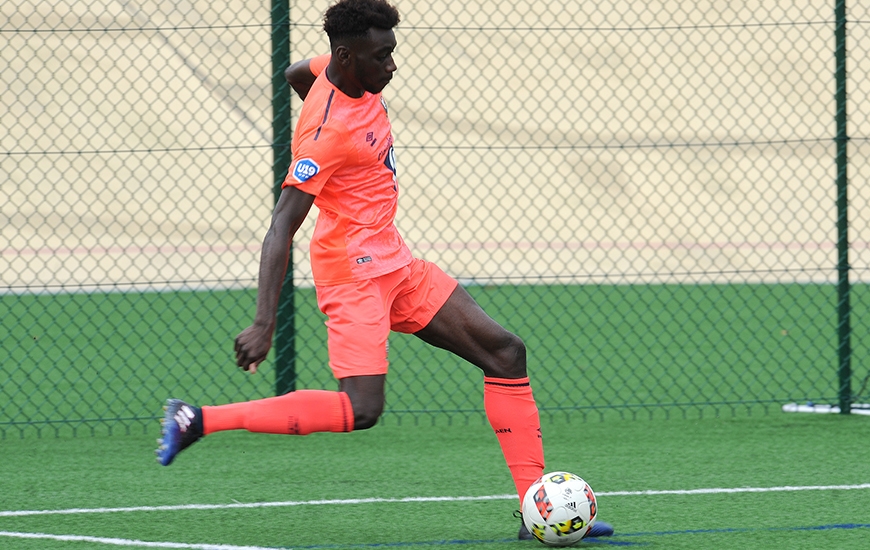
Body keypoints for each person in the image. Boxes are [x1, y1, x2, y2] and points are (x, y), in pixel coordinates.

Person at [155, 0, 612, 540]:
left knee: (506, 352)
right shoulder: (326, 136)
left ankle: (532, 509)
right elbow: (281, 225)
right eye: (382, 56)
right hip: (352, 273)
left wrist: (325, 92)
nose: (392, 66)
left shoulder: (340, 73)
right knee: (362, 408)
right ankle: (196, 420)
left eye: (392, 53)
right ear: (349, 56)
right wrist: (263, 321)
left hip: (395, 262)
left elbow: (295, 72)